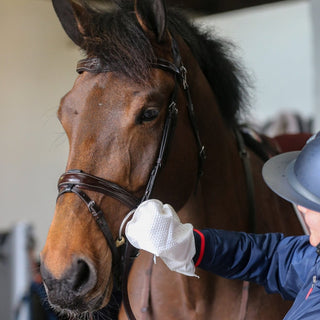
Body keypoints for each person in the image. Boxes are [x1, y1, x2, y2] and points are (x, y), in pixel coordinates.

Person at [125, 131, 320, 320]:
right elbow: (272, 259)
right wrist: (188, 244)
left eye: (310, 204)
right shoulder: (314, 259)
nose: (300, 208)